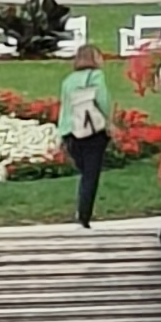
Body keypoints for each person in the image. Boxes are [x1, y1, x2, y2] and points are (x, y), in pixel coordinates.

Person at [58, 37, 112, 225]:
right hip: (92, 130)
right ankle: (84, 214)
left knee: (84, 173)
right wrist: (109, 122)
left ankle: (81, 211)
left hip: (71, 132)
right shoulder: (96, 76)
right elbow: (103, 101)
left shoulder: (68, 80)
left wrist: (61, 133)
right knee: (91, 175)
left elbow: (65, 107)